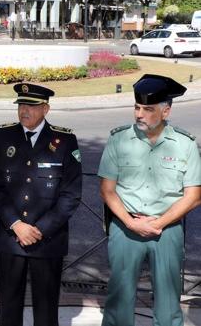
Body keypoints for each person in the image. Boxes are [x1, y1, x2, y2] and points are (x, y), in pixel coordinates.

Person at [99, 74, 201, 326]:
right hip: (125, 227)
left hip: (167, 230)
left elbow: (194, 196)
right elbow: (107, 190)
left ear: (165, 111)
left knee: (168, 304)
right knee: (118, 301)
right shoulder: (119, 139)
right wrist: (132, 223)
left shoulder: (184, 144)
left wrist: (158, 223)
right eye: (137, 107)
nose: (139, 114)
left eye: (148, 109)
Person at [0, 83, 82, 326]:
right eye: (21, 105)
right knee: (8, 307)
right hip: (12, 236)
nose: (24, 110)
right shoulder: (4, 135)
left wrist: (40, 230)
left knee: (46, 310)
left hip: (47, 240)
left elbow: (71, 194)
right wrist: (16, 224)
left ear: (46, 109)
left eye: (31, 105)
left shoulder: (65, 140)